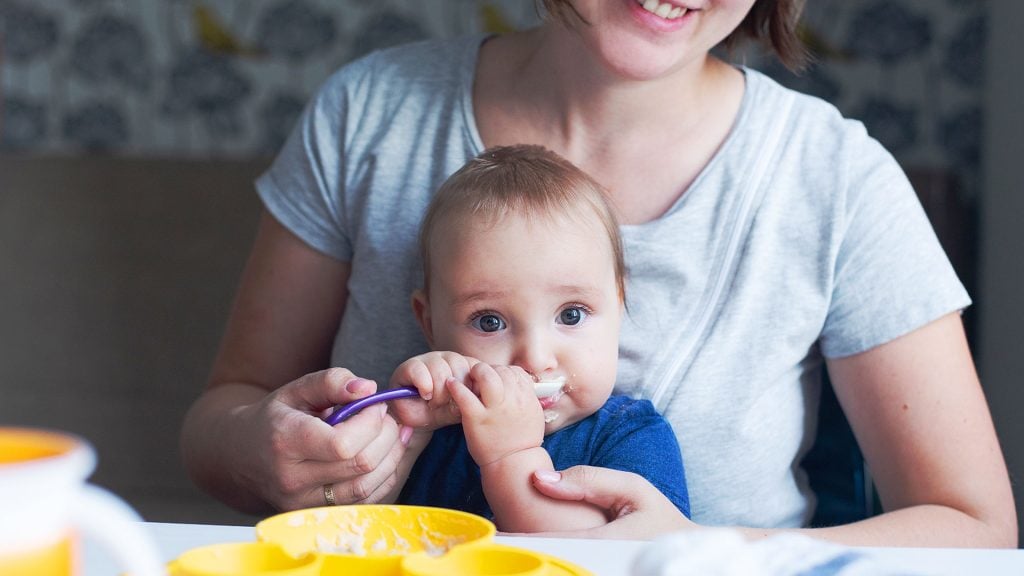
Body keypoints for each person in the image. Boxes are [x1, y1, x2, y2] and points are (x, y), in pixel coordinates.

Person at [181, 0, 1017, 547]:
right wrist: (264, 451)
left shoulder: (835, 180)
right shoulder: (369, 115)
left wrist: (706, 554)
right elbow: (221, 417)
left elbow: (977, 527)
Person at [384, 144, 689, 532]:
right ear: (429, 324)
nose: (536, 358)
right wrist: (403, 433)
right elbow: (352, 529)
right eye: (490, 322)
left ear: (618, 303)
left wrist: (511, 457)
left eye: (571, 315)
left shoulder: (632, 436)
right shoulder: (436, 430)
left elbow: (607, 553)